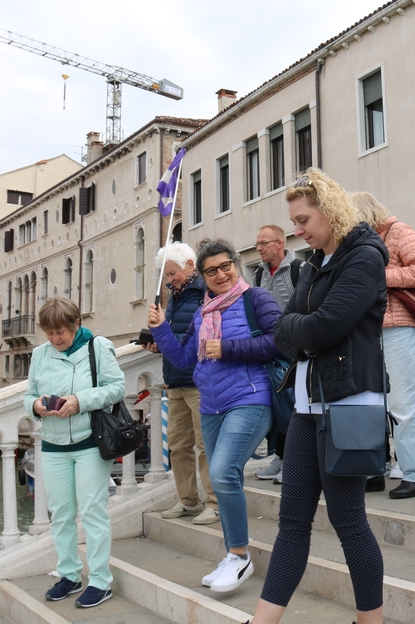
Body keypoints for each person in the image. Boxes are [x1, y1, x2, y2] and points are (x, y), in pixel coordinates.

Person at [252, 170, 389, 624]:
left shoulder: (365, 256)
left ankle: (371, 620)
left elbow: (323, 327)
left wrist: (304, 330)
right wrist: (304, 331)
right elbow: (284, 330)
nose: (298, 229)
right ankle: (263, 620)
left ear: (331, 211)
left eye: (304, 218)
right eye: (293, 221)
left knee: (349, 522)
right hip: (308, 406)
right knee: (292, 522)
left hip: (349, 402)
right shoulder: (311, 264)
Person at [149, 239, 279, 593]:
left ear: (236, 265)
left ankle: (239, 555)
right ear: (203, 275)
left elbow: (280, 341)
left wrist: (228, 348)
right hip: (212, 405)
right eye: (212, 270)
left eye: (226, 266)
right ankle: (233, 554)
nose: (220, 274)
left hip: (250, 399)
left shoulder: (256, 299)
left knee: (222, 471)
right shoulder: (202, 312)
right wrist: (161, 328)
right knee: (226, 478)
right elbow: (183, 359)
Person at [23, 297, 125, 608]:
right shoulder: (40, 353)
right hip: (53, 446)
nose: (55, 339)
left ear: (76, 324)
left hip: (90, 443)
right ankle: (69, 574)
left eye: (61, 332)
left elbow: (117, 387)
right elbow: (28, 394)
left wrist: (79, 400)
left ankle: (100, 581)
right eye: (50, 333)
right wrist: (36, 406)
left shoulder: (98, 347)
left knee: (93, 511)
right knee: (61, 515)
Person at [350, 191, 415, 498]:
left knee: (402, 405)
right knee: (370, 404)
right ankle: (373, 471)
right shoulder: (362, 242)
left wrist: (378, 276)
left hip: (401, 328)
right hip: (370, 331)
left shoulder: (399, 231)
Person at [151, 242, 219, 525]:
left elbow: (199, 337)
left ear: (191, 265)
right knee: (178, 445)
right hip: (175, 380)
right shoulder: (176, 295)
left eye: (173, 272)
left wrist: (164, 333)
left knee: (206, 445)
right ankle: (189, 500)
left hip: (199, 381)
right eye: (166, 275)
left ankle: (215, 503)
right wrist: (157, 342)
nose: (170, 279)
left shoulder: (205, 292)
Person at [252, 224, 301, 484]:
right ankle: (281, 457)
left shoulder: (299, 270)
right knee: (278, 409)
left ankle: (292, 462)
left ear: (279, 243)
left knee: (294, 408)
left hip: (294, 352)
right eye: (258, 244)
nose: (258, 248)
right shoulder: (257, 276)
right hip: (269, 353)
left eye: (264, 243)